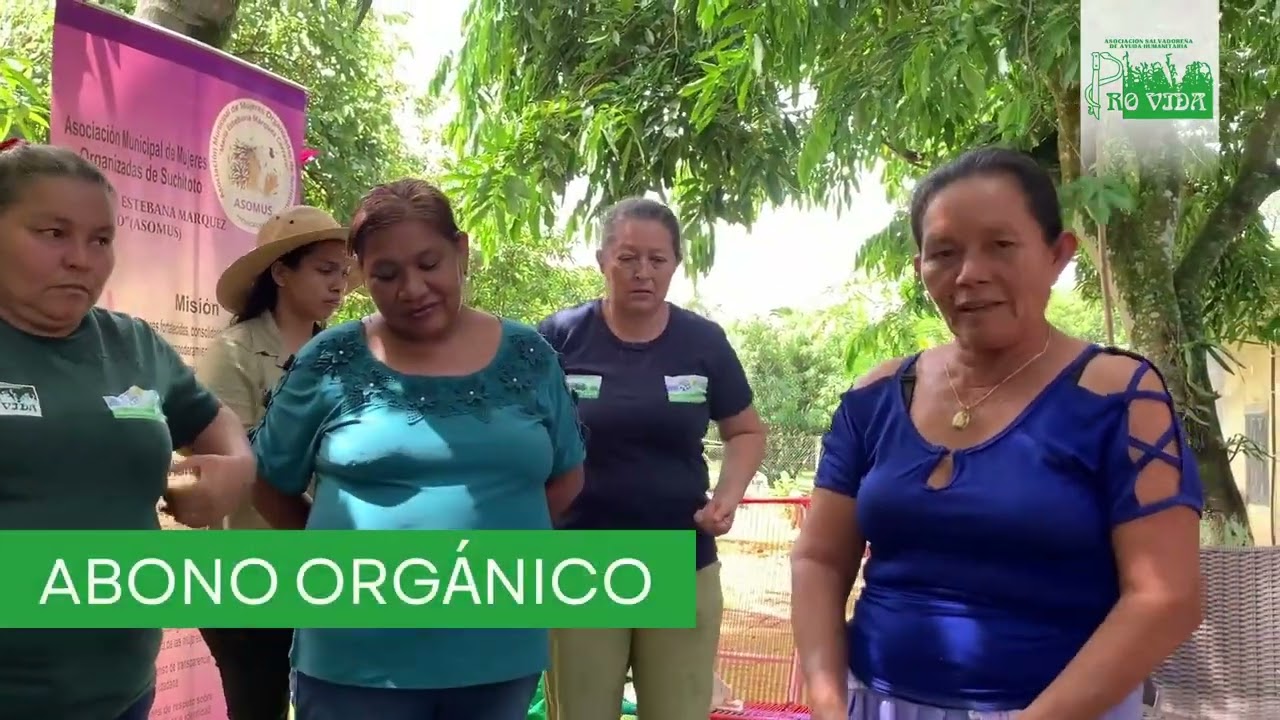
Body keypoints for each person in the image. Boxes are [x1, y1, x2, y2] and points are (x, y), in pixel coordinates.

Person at [790, 146, 1204, 720]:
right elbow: (819, 560)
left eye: (1001, 246)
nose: (969, 274)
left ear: (1058, 255)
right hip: (873, 702)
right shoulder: (877, 396)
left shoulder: (1120, 398)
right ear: (920, 270)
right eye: (944, 253)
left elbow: (1168, 597)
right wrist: (827, 699)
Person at [249, 178, 586, 720]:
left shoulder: (529, 356)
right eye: (386, 273)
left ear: (461, 250)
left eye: (429, 264)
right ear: (362, 276)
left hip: (497, 651)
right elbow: (268, 481)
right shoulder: (329, 359)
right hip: (355, 658)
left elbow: (566, 475)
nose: (412, 288)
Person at [0, 141, 255, 720]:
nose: (80, 258)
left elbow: (216, 424)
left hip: (123, 688)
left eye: (101, 239)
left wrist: (234, 470)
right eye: (52, 233)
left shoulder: (134, 344)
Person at [538, 197, 767, 720]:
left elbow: (747, 430)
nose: (643, 272)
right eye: (627, 257)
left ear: (675, 265)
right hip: (581, 563)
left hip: (678, 560)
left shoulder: (702, 342)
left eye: (658, 260)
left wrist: (726, 498)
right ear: (602, 260)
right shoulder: (558, 337)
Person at [194, 204, 356, 720]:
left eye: (344, 272)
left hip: (326, 570)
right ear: (281, 273)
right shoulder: (233, 353)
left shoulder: (343, 358)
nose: (339, 285)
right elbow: (228, 460)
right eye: (324, 270)